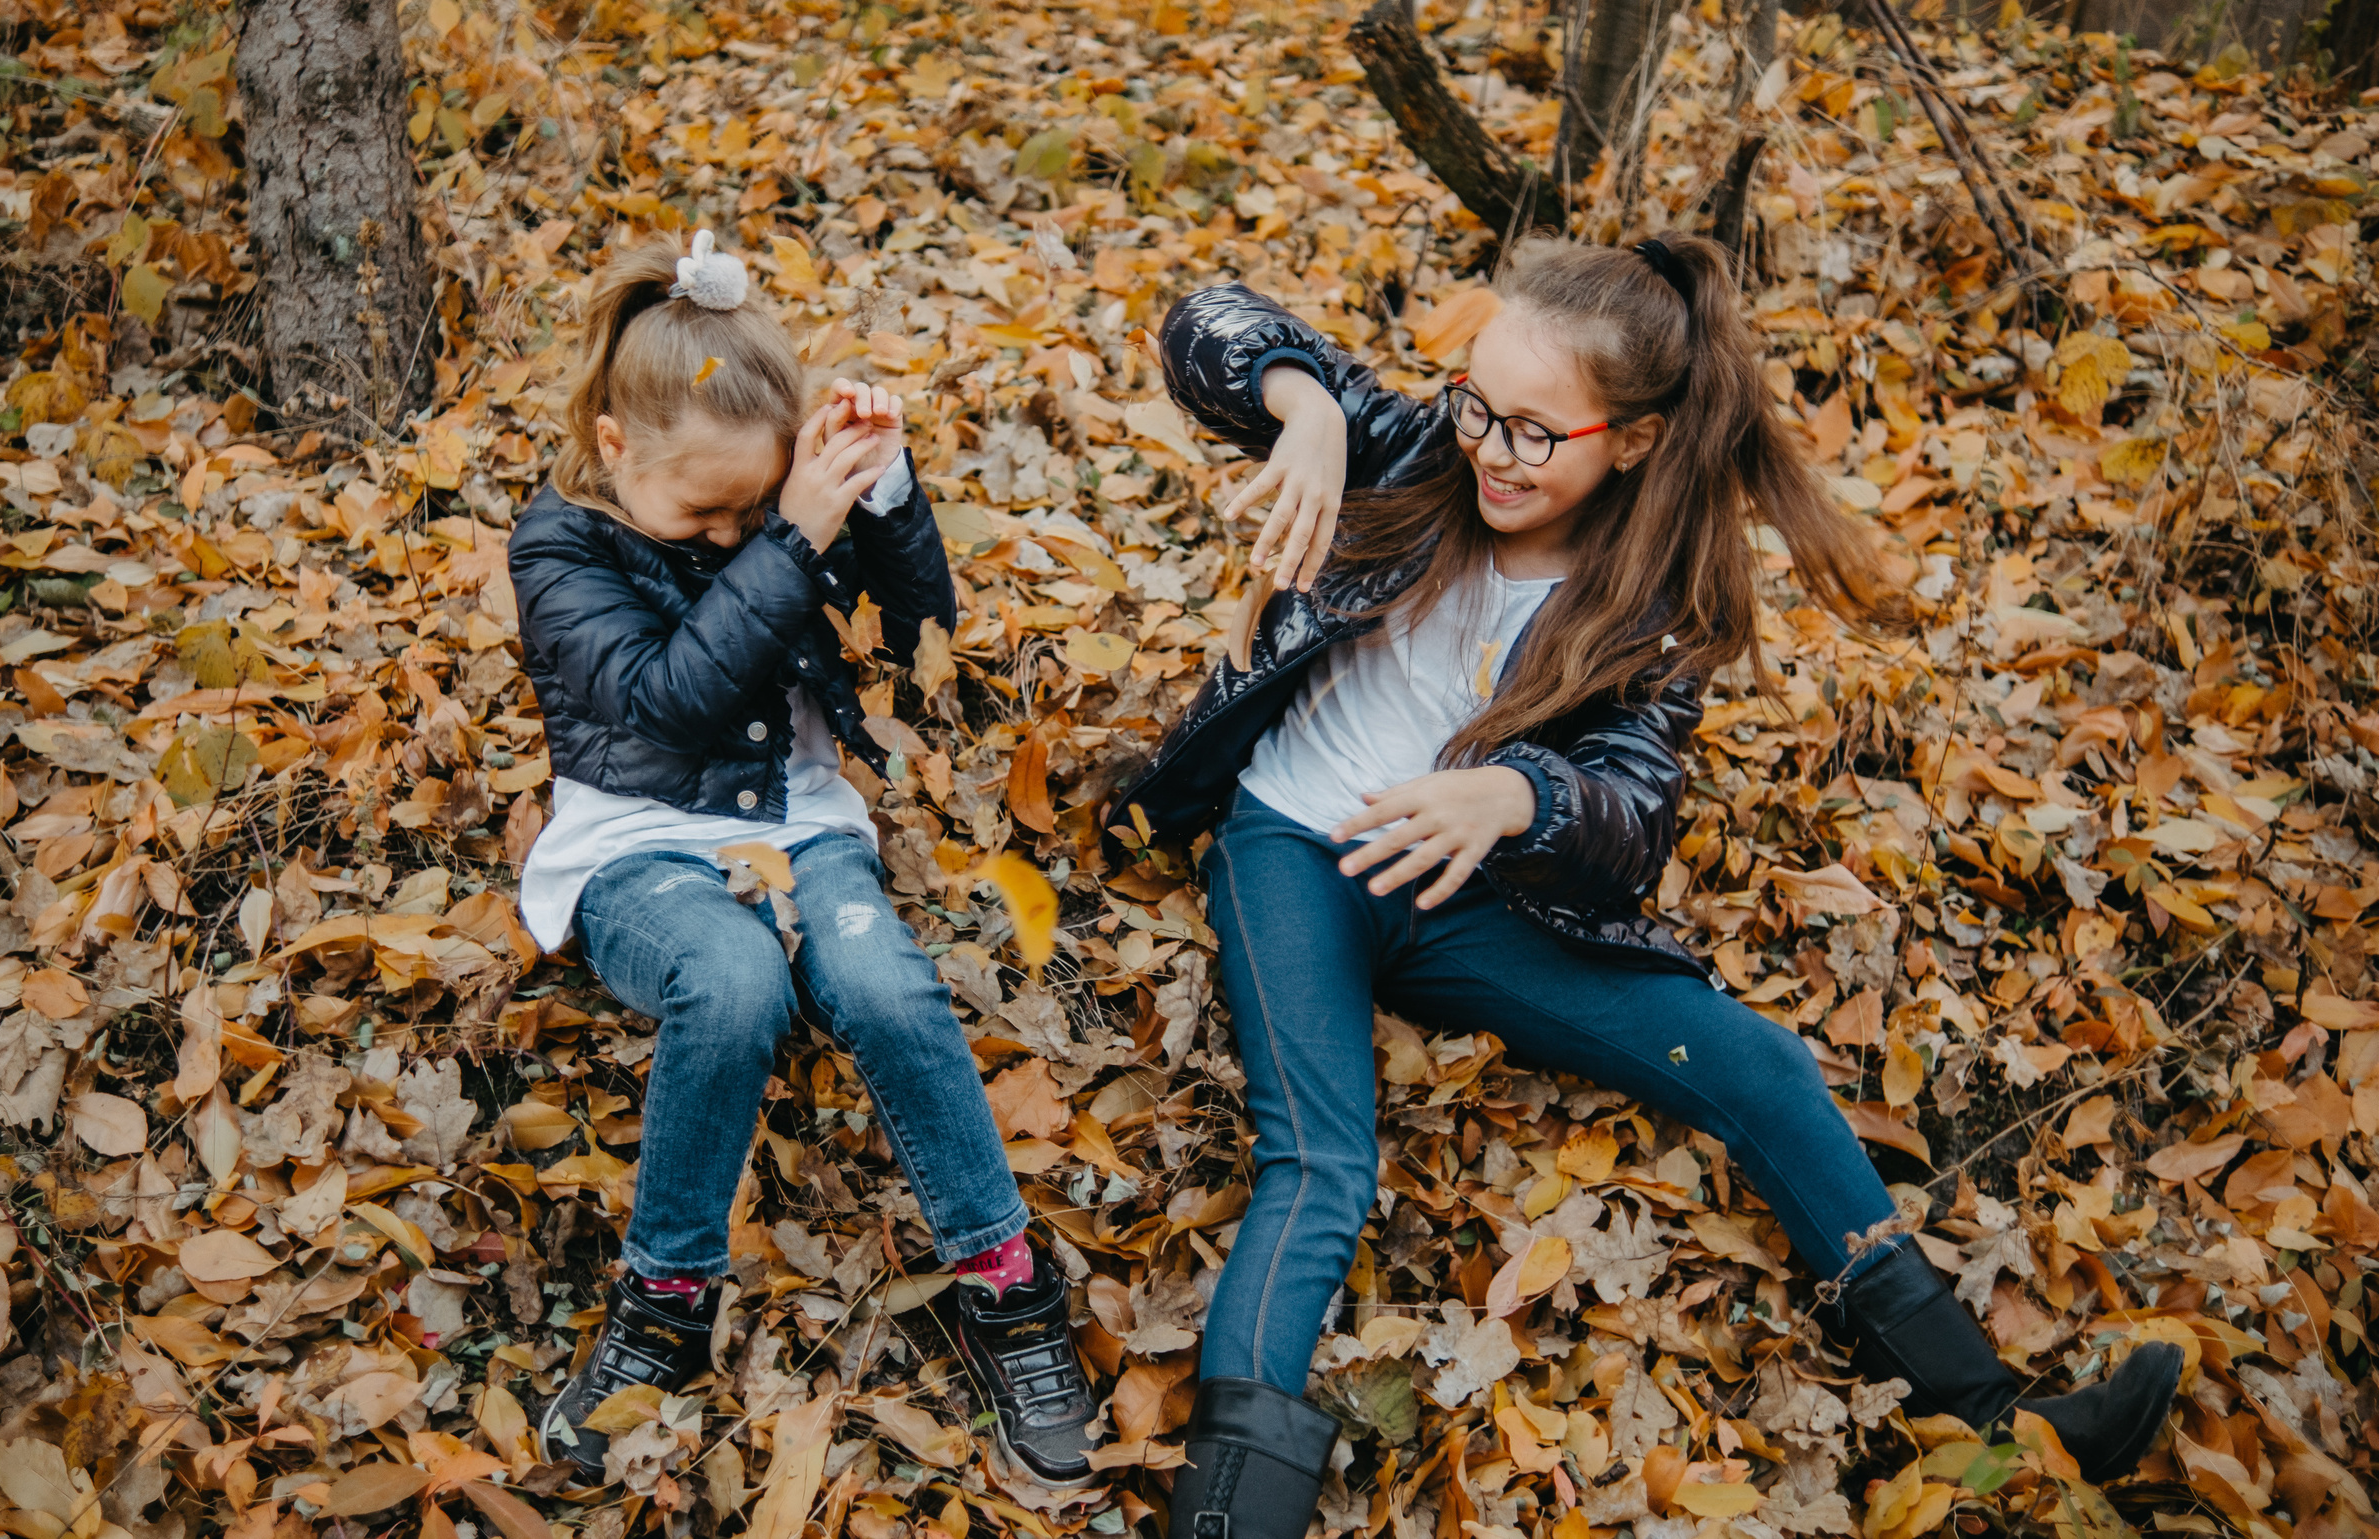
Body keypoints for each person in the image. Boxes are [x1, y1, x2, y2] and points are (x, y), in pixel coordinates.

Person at [1107, 236, 2183, 1539]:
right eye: (1476, 403)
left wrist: (1519, 796)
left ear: (1632, 438)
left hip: (1466, 890)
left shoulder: (1650, 603)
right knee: (1323, 1158)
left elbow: (1630, 816)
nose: (1491, 449)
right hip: (1292, 845)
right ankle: (1230, 1511)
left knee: (1762, 1064)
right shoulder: (1415, 446)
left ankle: (1988, 1411)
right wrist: (1310, 409)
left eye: (1534, 431)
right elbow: (1207, 320)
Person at [508, 231, 1101, 1486]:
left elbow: (918, 626)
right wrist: (788, 532)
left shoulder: (789, 506)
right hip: (637, 842)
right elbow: (665, 701)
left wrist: (877, 495)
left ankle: (1001, 1278)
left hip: (803, 820)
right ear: (617, 449)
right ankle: (664, 1298)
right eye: (705, 513)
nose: (731, 536)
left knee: (883, 983)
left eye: (752, 507)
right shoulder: (558, 543)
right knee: (729, 985)